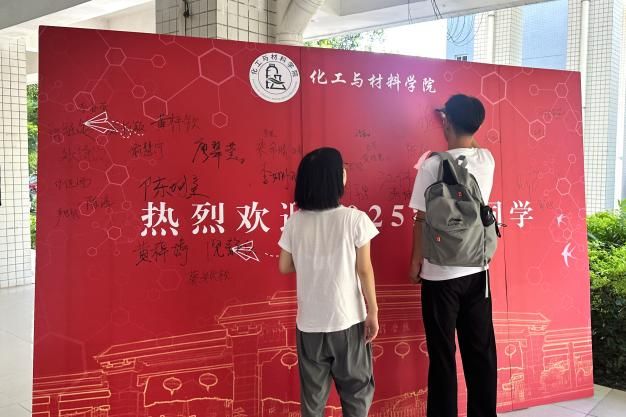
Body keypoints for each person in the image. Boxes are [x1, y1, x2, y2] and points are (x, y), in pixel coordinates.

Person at [408, 94, 498, 417]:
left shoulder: (431, 165)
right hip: (477, 270)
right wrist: (457, 122)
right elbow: (472, 145)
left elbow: (421, 219)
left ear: (446, 122)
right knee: (480, 352)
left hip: (438, 274)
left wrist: (415, 261)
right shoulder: (486, 160)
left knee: (443, 354)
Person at [278, 147, 380, 417]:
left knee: (312, 401)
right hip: (348, 321)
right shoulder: (355, 219)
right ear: (336, 178)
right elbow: (364, 270)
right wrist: (373, 311)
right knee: (357, 392)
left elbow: (284, 266)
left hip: (309, 325)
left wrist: (310, 261)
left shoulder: (295, 222)